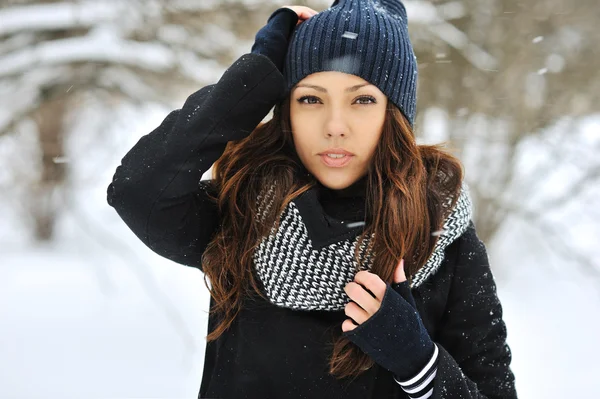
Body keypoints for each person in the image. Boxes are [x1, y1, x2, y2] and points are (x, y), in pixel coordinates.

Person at [107, 0, 518, 398]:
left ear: (394, 113)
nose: (334, 126)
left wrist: (419, 364)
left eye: (362, 99)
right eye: (310, 99)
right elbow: (138, 191)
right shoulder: (242, 213)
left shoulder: (441, 231)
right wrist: (256, 75)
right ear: (286, 110)